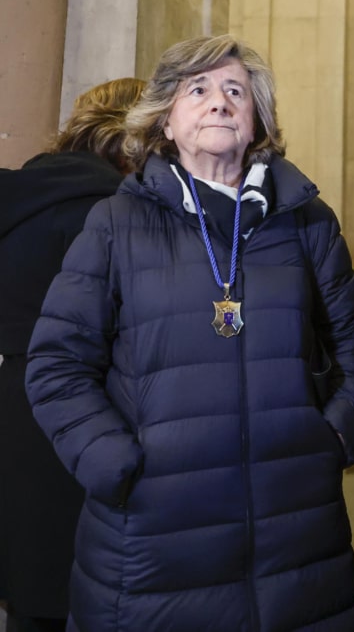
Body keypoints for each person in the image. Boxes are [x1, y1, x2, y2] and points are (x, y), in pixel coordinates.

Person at [25, 35, 354, 631]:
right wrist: (116, 465)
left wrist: (333, 440)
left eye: (236, 90)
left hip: (296, 535)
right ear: (166, 117)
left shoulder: (306, 219)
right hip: (152, 544)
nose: (219, 102)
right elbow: (56, 364)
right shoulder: (117, 221)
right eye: (198, 89)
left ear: (257, 117)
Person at [0, 77, 144, 632]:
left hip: (18, 414)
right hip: (103, 416)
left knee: (34, 600)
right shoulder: (120, 208)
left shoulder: (18, 199)